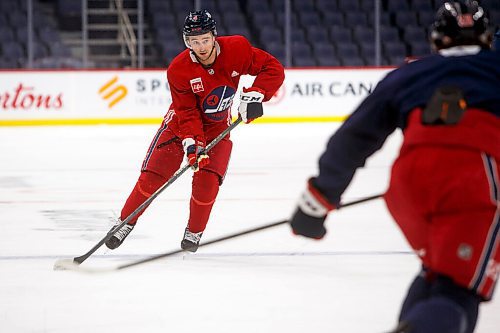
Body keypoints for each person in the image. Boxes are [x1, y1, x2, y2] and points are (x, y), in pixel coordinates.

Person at [289, 1, 499, 332]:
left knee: (436, 272)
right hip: (475, 177)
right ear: (487, 38)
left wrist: (318, 199)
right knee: (459, 289)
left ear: (437, 39)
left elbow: (354, 136)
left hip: (409, 181)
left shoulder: (409, 73)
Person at [105, 10, 284, 253]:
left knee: (207, 183)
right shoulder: (179, 69)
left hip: (218, 128)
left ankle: (194, 232)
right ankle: (124, 223)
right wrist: (193, 145)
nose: (200, 46)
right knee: (153, 178)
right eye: (194, 41)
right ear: (186, 42)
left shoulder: (237, 49)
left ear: (214, 37)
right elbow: (187, 112)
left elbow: (272, 68)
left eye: (205, 39)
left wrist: (256, 94)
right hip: (179, 127)